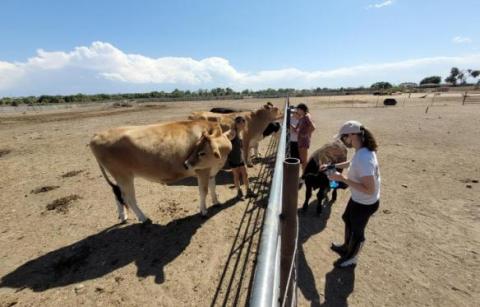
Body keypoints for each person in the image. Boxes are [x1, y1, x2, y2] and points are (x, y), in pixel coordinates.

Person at [322, 120, 380, 268]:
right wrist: (332, 166)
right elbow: (351, 163)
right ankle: (347, 247)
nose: (343, 141)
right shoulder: (361, 151)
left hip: (365, 202)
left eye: (343, 137)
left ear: (352, 135)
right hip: (359, 198)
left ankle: (352, 258)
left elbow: (370, 189)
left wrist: (342, 178)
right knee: (347, 218)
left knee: (357, 232)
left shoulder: (365, 158)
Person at [227, 116, 256, 199]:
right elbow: (225, 140)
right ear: (237, 124)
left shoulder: (240, 132)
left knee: (245, 174)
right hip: (233, 157)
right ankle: (239, 192)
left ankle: (248, 191)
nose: (244, 126)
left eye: (244, 124)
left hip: (240, 157)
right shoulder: (233, 132)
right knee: (236, 175)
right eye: (242, 124)